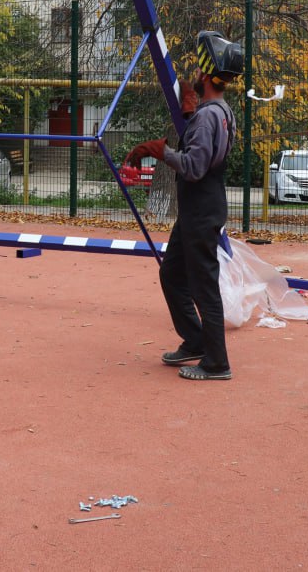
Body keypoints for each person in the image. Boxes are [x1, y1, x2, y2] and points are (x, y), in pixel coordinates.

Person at [126, 30, 243, 381]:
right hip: (197, 210)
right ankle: (195, 340)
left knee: (204, 286)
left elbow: (194, 167)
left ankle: (217, 363)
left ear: (206, 75)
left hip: (202, 210)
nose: (194, 73)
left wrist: (161, 152)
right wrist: (190, 115)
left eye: (198, 69)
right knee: (172, 274)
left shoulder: (209, 117)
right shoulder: (218, 111)